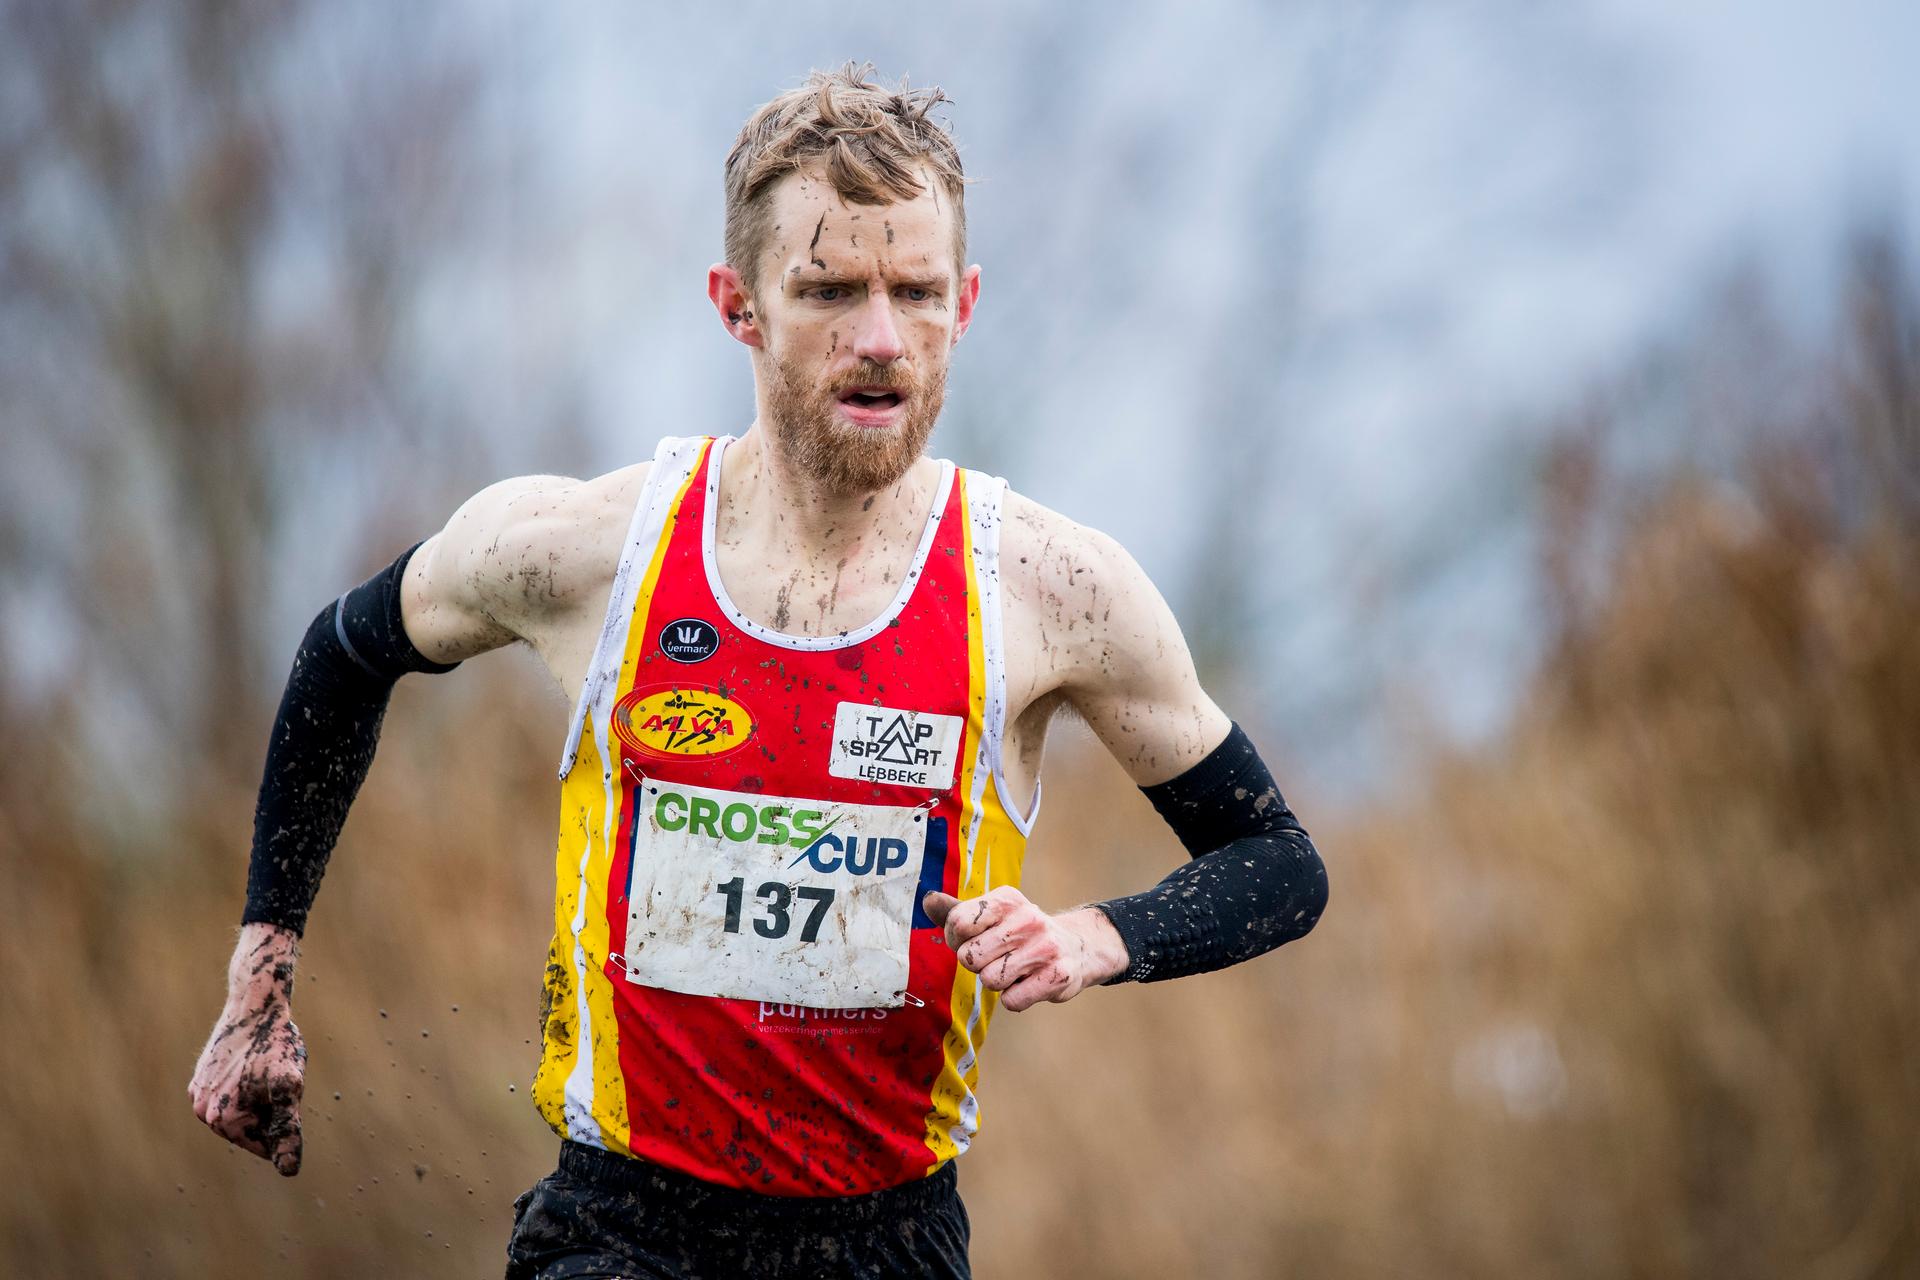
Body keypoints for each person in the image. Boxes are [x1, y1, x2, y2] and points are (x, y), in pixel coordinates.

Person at [188, 63, 1328, 1280]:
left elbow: (1278, 861)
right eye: (830, 290)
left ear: (969, 301)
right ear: (738, 304)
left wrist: (1092, 936)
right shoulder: (591, 551)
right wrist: (260, 976)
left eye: (917, 292)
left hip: (888, 1234)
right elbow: (341, 655)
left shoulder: (1050, 585)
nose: (881, 339)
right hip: (621, 1225)